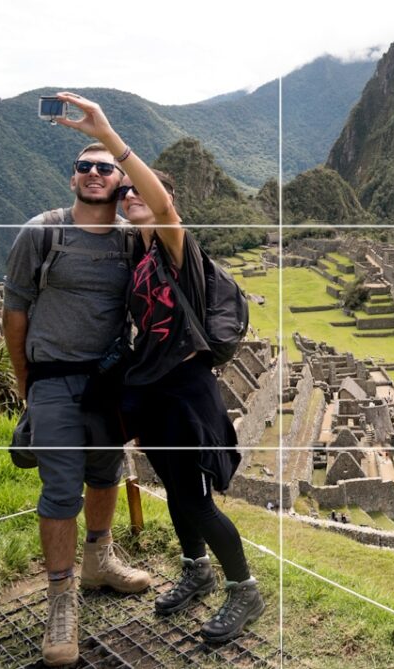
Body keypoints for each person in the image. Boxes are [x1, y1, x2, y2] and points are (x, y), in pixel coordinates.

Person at [53, 92, 264, 644]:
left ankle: (245, 589)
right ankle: (196, 570)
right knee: (173, 488)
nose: (131, 198)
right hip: (153, 389)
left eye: (140, 190)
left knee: (194, 497)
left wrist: (108, 138)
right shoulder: (138, 257)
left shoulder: (177, 248)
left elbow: (164, 209)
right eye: (126, 195)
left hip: (186, 392)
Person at [3, 140, 151, 666]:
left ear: (119, 180)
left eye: (105, 168)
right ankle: (61, 600)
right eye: (84, 167)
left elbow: (168, 225)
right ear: (73, 179)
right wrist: (29, 384)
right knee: (60, 490)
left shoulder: (131, 242)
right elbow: (15, 312)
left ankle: (99, 560)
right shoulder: (41, 232)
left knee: (107, 474)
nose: (93, 173)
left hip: (107, 384)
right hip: (53, 381)